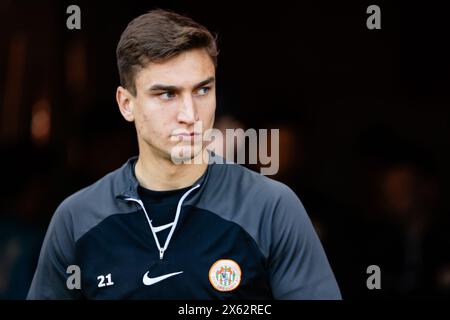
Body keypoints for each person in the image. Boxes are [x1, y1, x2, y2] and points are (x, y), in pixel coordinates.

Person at [27, 9, 341, 299]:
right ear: (126, 104)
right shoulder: (77, 219)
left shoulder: (270, 208)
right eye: (167, 94)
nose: (190, 114)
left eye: (203, 90)